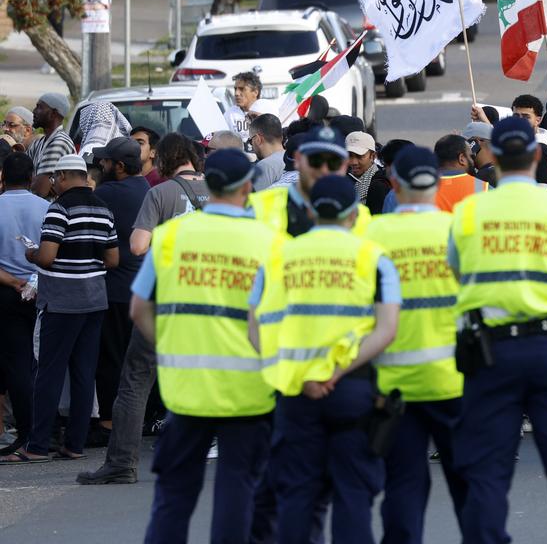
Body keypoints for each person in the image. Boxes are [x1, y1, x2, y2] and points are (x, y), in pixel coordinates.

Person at [446, 116, 547, 544]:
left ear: (492, 156)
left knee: (488, 472)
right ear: (536, 155)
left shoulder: (470, 212)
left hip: (491, 352)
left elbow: (458, 274)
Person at [127, 149, 280, 543]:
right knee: (236, 490)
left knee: (174, 495)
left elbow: (139, 309)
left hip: (185, 387)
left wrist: (167, 347)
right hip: (248, 389)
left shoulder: (172, 236)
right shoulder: (268, 241)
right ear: (248, 186)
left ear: (208, 185)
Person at [250, 174, 400, 544]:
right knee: (354, 495)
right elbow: (387, 329)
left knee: (298, 494)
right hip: (353, 389)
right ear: (355, 213)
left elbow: (255, 325)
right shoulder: (374, 258)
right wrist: (334, 372)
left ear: (308, 210)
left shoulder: (277, 257)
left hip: (296, 392)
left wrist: (298, 373)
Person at [77, 135, 210, 486]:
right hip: (210, 300)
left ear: (166, 158)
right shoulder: (218, 191)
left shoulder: (162, 192)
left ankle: (122, 463)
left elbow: (137, 245)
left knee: (136, 380)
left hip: (165, 299)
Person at [364, 146, 468, 544]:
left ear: (394, 183)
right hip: (453, 381)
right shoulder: (458, 231)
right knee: (467, 484)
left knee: (404, 484)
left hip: (393, 382)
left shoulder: (372, 235)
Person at [2, 155, 119, 464]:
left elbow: (47, 258)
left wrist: (31, 253)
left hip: (62, 301)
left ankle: (37, 446)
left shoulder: (60, 209)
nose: (53, 183)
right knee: (83, 374)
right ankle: (75, 444)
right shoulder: (102, 209)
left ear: (66, 175)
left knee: (49, 373)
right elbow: (113, 260)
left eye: (55, 177)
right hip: (94, 299)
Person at [89, 137, 151, 445]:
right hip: (143, 290)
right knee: (137, 362)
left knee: (110, 359)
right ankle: (138, 421)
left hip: (114, 290)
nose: (102, 165)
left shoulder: (106, 193)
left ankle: (110, 423)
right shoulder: (149, 190)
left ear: (121, 167)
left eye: (106, 162)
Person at [0, 154, 48, 457]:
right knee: (43, 362)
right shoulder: (46, 208)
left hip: (6, 293)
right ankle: (41, 426)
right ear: (31, 177)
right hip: (42, 290)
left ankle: (25, 427)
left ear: (3, 176)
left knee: (16, 362)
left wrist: (13, 282)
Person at [249, 126, 371, 238]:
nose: (324, 170)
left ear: (344, 166)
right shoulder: (259, 207)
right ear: (297, 160)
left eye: (334, 163)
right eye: (315, 161)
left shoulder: (360, 215)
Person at [28, 92, 76, 198]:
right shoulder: (38, 143)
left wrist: (35, 180)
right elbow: (19, 178)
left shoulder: (59, 143)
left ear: (53, 113)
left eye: (39, 107)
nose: (34, 111)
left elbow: (39, 191)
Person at [433, 134, 489, 213]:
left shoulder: (422, 188)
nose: (473, 161)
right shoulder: (483, 187)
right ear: (461, 158)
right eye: (471, 157)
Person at [346, 131, 384, 206]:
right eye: (349, 156)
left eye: (359, 156)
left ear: (373, 156)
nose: (353, 162)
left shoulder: (379, 185)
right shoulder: (342, 178)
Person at [249, 115, 286, 191]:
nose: (251, 144)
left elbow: (257, 201)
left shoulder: (264, 166)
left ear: (258, 139)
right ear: (281, 137)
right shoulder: (295, 157)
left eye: (250, 141)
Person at [226, 71, 263, 140]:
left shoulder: (266, 111)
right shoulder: (230, 114)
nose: (236, 93)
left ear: (255, 92)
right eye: (235, 89)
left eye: (242, 89)